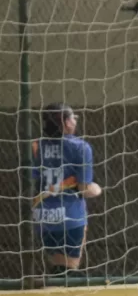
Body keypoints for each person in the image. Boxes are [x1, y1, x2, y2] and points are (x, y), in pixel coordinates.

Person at [31, 102, 102, 275]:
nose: (75, 121)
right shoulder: (80, 147)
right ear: (67, 122)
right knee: (69, 272)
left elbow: (33, 180)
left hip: (43, 216)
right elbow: (84, 188)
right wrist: (97, 189)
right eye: (73, 118)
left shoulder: (35, 146)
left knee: (56, 269)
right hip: (70, 216)